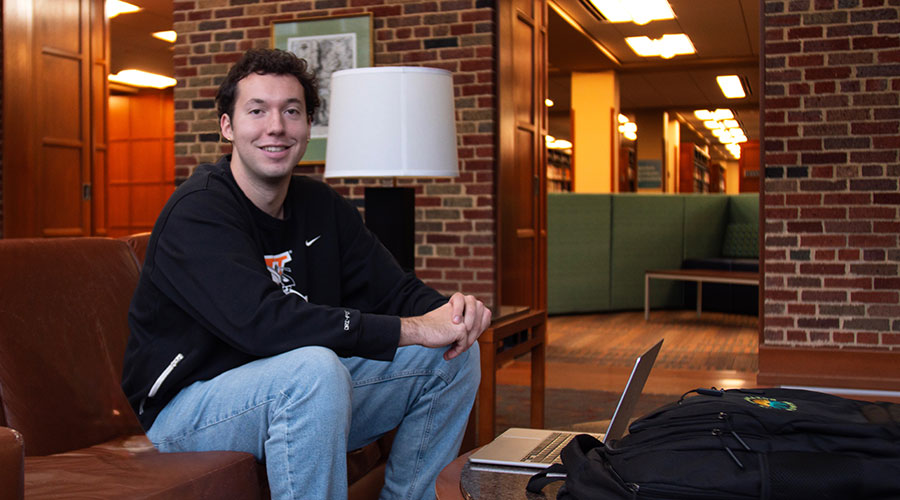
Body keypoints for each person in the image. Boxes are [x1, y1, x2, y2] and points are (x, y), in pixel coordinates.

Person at [121, 48, 491, 500]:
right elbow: (263, 325)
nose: (275, 126)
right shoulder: (197, 213)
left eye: (291, 111)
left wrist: (451, 313)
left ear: (308, 127)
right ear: (227, 126)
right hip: (186, 410)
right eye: (257, 111)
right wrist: (411, 329)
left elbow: (394, 289)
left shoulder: (321, 206)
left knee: (450, 358)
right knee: (314, 368)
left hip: (295, 390)